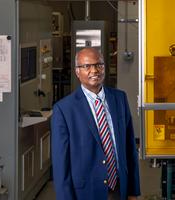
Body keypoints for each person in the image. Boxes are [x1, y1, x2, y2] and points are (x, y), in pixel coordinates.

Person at [51, 47, 140, 200]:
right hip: (86, 191)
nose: (94, 70)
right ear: (77, 72)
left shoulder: (119, 99)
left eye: (99, 65)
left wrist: (133, 190)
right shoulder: (64, 109)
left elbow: (129, 147)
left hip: (120, 187)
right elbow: (60, 164)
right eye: (87, 66)